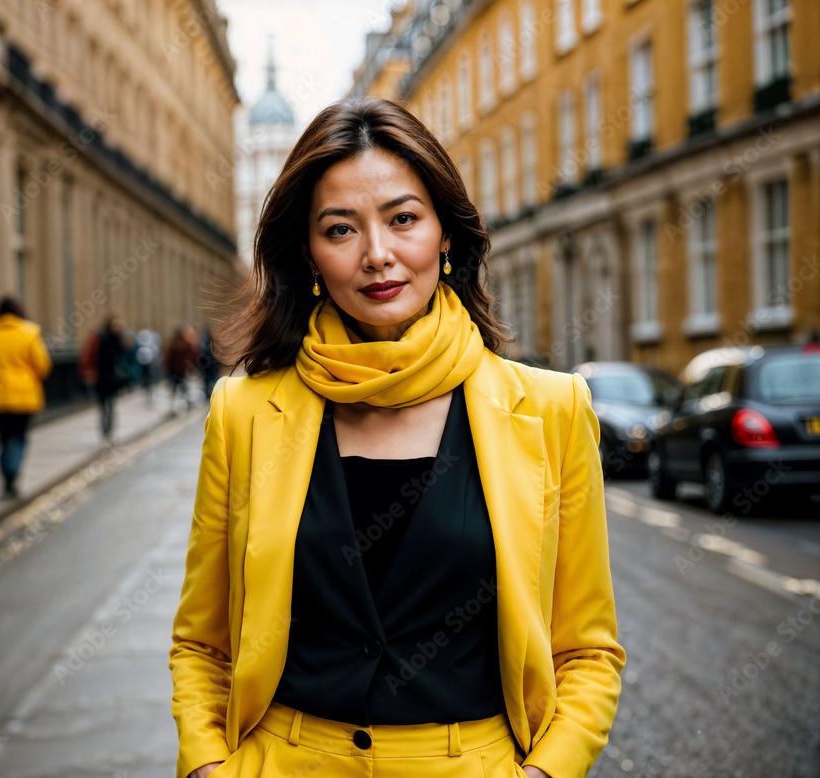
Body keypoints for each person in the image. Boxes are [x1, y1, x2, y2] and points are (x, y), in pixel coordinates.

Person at [168, 97, 625, 778]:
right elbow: (202, 644)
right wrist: (209, 764)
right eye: (340, 229)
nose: (377, 255)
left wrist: (544, 772)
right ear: (308, 254)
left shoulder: (552, 409)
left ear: (445, 234)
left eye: (403, 219)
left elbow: (587, 650)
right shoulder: (243, 413)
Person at [0, 295, 52, 499]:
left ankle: (7, 477)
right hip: (24, 396)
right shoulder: (30, 332)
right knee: (19, 436)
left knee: (3, 437)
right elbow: (43, 366)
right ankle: (12, 473)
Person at [79, 315, 132, 443]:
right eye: (115, 325)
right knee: (103, 405)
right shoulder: (100, 337)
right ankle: (104, 430)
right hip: (100, 377)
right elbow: (88, 356)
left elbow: (126, 355)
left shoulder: (119, 339)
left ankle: (109, 430)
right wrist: (89, 374)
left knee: (111, 404)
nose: (117, 327)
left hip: (114, 378)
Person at [164, 325, 200, 413]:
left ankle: (173, 405)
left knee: (175, 389)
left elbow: (168, 359)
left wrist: (167, 368)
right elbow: (193, 356)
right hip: (182, 370)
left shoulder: (173, 344)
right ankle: (187, 402)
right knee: (184, 387)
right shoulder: (187, 344)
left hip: (174, 370)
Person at [198, 327, 219, 404]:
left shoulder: (203, 342)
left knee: (208, 380)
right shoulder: (214, 342)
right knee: (213, 379)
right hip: (212, 364)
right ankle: (213, 393)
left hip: (207, 365)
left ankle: (209, 394)